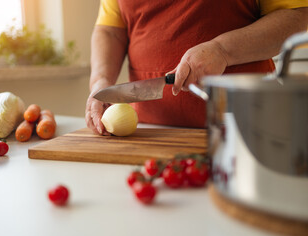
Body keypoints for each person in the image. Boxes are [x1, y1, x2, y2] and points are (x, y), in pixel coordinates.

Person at [86, 0, 308, 135]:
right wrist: (101, 79)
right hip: (147, 134)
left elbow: (299, 16)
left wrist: (222, 50)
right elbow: (111, 30)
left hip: (245, 131)